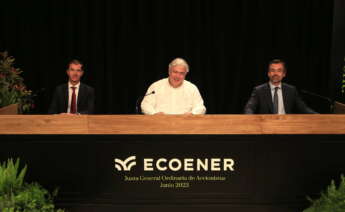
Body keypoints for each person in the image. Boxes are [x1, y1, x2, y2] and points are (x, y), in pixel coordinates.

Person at [244, 59, 316, 114]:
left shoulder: (291, 90)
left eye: (279, 71)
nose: (275, 73)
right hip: (266, 127)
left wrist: (319, 117)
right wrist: (250, 117)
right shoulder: (259, 90)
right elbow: (249, 108)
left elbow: (304, 108)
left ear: (284, 74)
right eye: (272, 70)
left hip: (286, 127)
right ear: (268, 73)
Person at [141, 58, 206, 115]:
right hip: (160, 124)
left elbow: (200, 107)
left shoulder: (192, 88)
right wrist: (154, 114)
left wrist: (192, 114)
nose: (177, 76)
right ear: (169, 71)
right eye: (175, 72)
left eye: (181, 73)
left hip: (185, 125)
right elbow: (145, 105)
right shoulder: (156, 86)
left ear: (185, 74)